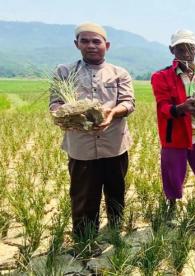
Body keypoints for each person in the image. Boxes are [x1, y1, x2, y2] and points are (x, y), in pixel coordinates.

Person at [49, 22, 135, 248]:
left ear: (106, 45)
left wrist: (112, 112)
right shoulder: (64, 72)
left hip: (114, 144)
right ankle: (85, 239)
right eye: (85, 41)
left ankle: (115, 231)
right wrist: (66, 115)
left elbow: (128, 103)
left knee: (116, 190)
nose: (91, 46)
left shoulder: (119, 73)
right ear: (76, 44)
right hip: (81, 147)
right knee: (83, 194)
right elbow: (55, 104)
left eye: (96, 41)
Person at [151, 29, 195, 232]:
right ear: (172, 50)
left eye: (190, 47)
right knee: (173, 175)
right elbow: (163, 107)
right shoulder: (161, 76)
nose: (186, 52)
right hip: (176, 136)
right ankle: (171, 210)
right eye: (180, 48)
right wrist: (183, 108)